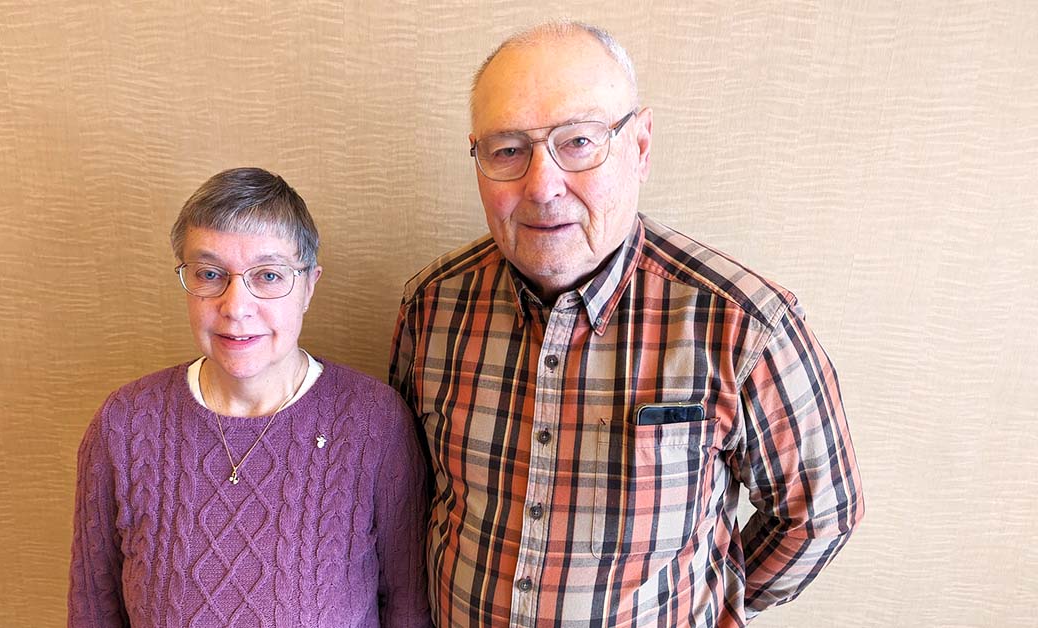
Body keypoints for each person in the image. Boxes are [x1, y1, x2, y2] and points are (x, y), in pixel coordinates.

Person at [389, 21, 864, 628]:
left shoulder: (743, 325)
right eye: (507, 149)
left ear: (639, 147)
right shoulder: (430, 307)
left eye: (579, 142)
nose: (542, 186)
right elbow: (412, 487)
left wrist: (712, 600)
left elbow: (821, 515)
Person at [70, 167, 430, 627]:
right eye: (209, 273)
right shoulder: (123, 425)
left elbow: (408, 607)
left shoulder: (373, 423)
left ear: (309, 285)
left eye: (268, 275)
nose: (236, 306)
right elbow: (92, 609)